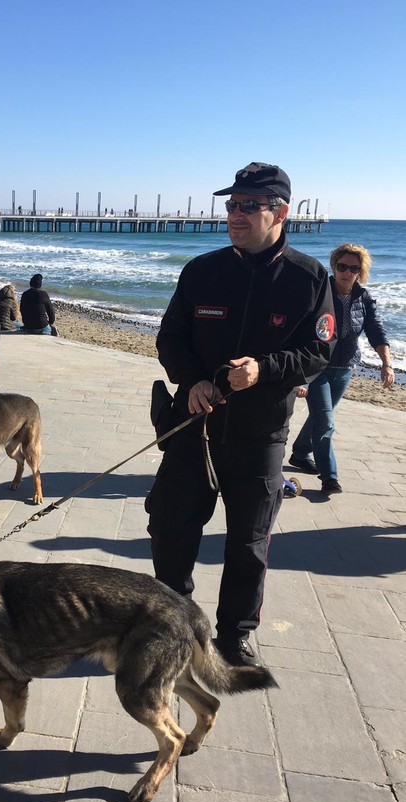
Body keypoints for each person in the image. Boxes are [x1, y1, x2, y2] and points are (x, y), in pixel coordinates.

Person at [145, 162, 336, 667]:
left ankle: (236, 632)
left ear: (280, 213)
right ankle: (174, 620)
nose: (235, 214)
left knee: (249, 542)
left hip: (261, 432)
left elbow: (319, 353)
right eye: (231, 204)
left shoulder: (309, 278)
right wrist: (193, 380)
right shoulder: (202, 270)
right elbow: (170, 337)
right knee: (169, 528)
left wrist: (266, 369)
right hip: (194, 426)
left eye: (249, 205)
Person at [289, 243, 394, 494]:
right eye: (342, 266)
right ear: (334, 266)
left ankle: (301, 453)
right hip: (319, 367)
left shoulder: (363, 297)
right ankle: (330, 478)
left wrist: (387, 364)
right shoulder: (319, 291)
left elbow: (376, 330)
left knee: (320, 417)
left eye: (353, 268)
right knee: (325, 421)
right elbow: (300, 331)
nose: (347, 272)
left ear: (361, 271)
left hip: (346, 367)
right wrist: (299, 377)